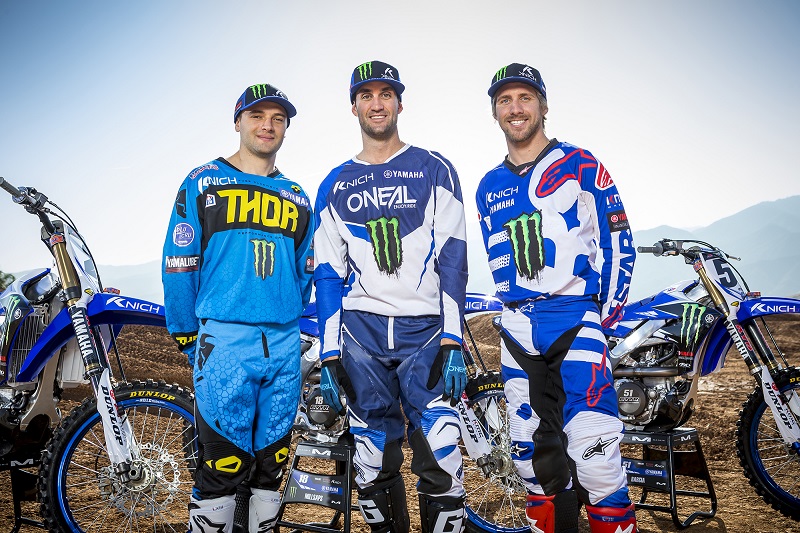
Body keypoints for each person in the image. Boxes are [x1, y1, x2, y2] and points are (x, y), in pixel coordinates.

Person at [475, 63, 637, 533]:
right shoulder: (488, 185)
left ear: (543, 106)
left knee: (595, 455)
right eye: (505, 101)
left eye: (525, 98)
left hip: (574, 319)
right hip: (516, 330)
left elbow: (618, 240)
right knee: (532, 459)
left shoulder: (580, 163)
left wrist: (605, 317)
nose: (515, 108)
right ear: (495, 113)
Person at [313, 60, 469, 533]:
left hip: (426, 331)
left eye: (386, 94)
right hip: (361, 333)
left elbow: (454, 257)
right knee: (370, 460)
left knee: (441, 452)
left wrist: (454, 339)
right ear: (354, 107)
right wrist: (329, 354)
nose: (376, 104)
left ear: (400, 103)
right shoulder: (334, 183)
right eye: (366, 95)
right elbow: (327, 273)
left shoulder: (434, 168)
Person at [162, 83, 314, 533]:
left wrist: (286, 311)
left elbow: (305, 269)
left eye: (278, 119)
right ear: (238, 121)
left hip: (284, 344)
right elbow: (180, 261)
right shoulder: (203, 181)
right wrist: (188, 334)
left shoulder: (297, 195)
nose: (268, 125)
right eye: (257, 116)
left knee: (272, 466)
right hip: (225, 340)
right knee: (222, 466)